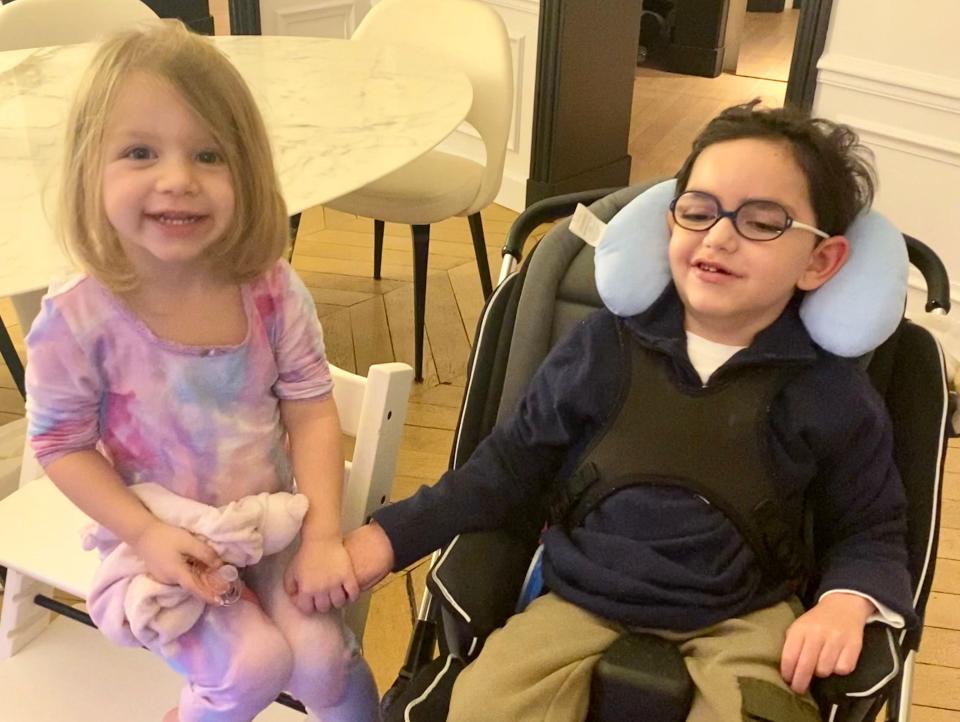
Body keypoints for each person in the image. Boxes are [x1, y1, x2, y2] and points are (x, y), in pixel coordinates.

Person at [344, 102, 917, 721]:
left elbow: (871, 527)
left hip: (747, 614)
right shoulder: (602, 349)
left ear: (819, 261)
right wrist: (387, 536)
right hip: (579, 596)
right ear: (671, 224)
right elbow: (506, 470)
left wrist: (847, 600)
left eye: (762, 222)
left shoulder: (831, 393)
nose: (718, 236)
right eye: (699, 212)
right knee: (484, 705)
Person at [25, 20, 379, 722]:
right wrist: (146, 534)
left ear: (245, 172)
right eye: (140, 152)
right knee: (253, 667)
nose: (179, 180)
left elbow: (311, 409)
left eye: (210, 154)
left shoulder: (271, 288)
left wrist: (321, 537)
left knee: (323, 660)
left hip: (274, 524)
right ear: (89, 168)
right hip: (164, 539)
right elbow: (61, 446)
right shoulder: (77, 319)